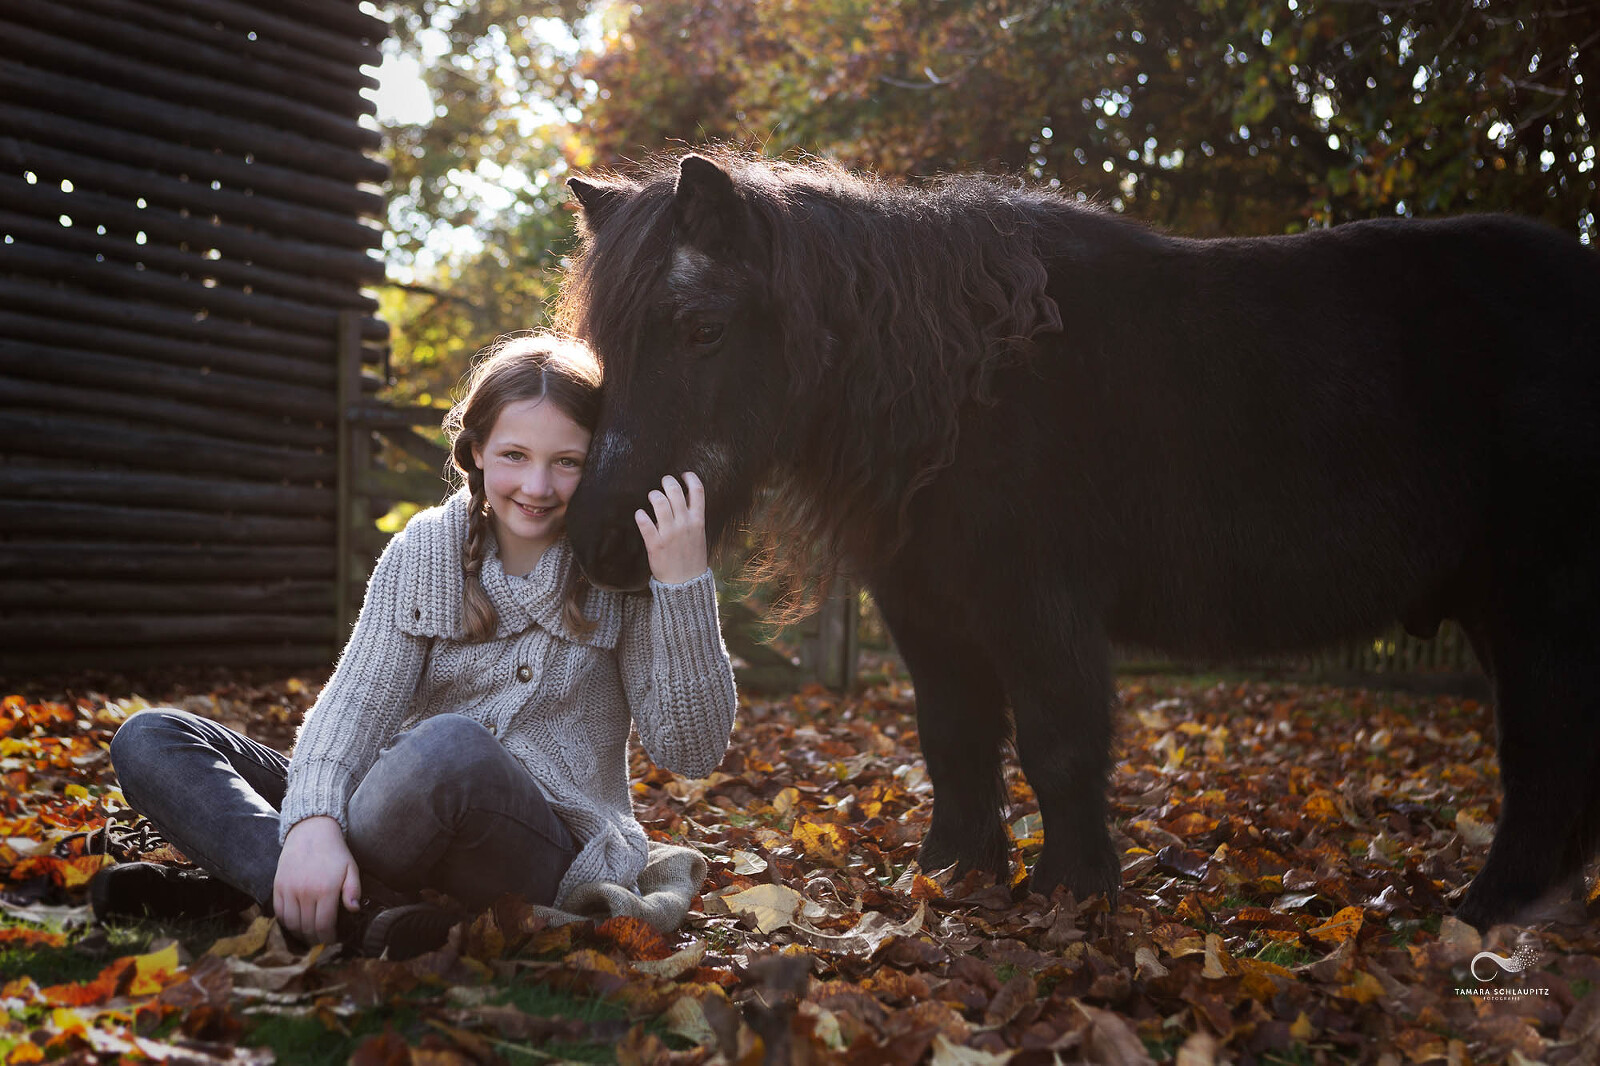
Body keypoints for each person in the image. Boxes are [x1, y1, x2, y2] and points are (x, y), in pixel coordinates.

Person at [97, 334, 739, 959]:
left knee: (449, 746)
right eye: (515, 454)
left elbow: (692, 750)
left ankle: (241, 892)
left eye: (567, 461)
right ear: (478, 450)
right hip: (392, 813)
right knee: (151, 736)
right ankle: (367, 916)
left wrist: (684, 584)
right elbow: (353, 706)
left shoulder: (618, 572)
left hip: (536, 846)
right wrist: (315, 823)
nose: (537, 487)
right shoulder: (426, 549)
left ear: (596, 464)